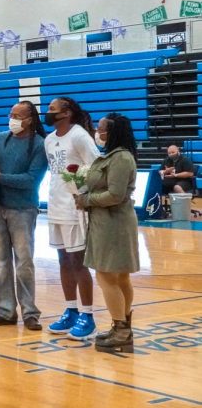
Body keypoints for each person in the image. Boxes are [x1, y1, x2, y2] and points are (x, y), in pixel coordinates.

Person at [76, 113, 140, 353]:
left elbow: (115, 195)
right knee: (121, 277)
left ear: (112, 132)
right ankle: (122, 328)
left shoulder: (121, 158)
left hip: (113, 224)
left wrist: (86, 200)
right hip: (110, 222)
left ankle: (121, 329)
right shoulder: (113, 156)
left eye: (101, 128)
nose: (97, 132)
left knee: (106, 277)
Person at [0, 101, 48, 331]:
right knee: (1, 262)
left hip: (22, 210)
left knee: (24, 262)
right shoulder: (0, 139)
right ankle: (5, 310)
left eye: (18, 115)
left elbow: (31, 180)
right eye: (11, 114)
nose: (12, 119)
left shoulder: (40, 145)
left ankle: (30, 312)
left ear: (30, 119)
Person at [44, 97, 100, 340]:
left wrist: (81, 188)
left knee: (78, 261)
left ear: (67, 113)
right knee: (63, 260)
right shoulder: (49, 139)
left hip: (74, 208)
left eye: (52, 109)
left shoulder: (79, 136)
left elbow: (97, 166)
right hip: (55, 206)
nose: (48, 112)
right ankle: (71, 309)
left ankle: (87, 315)